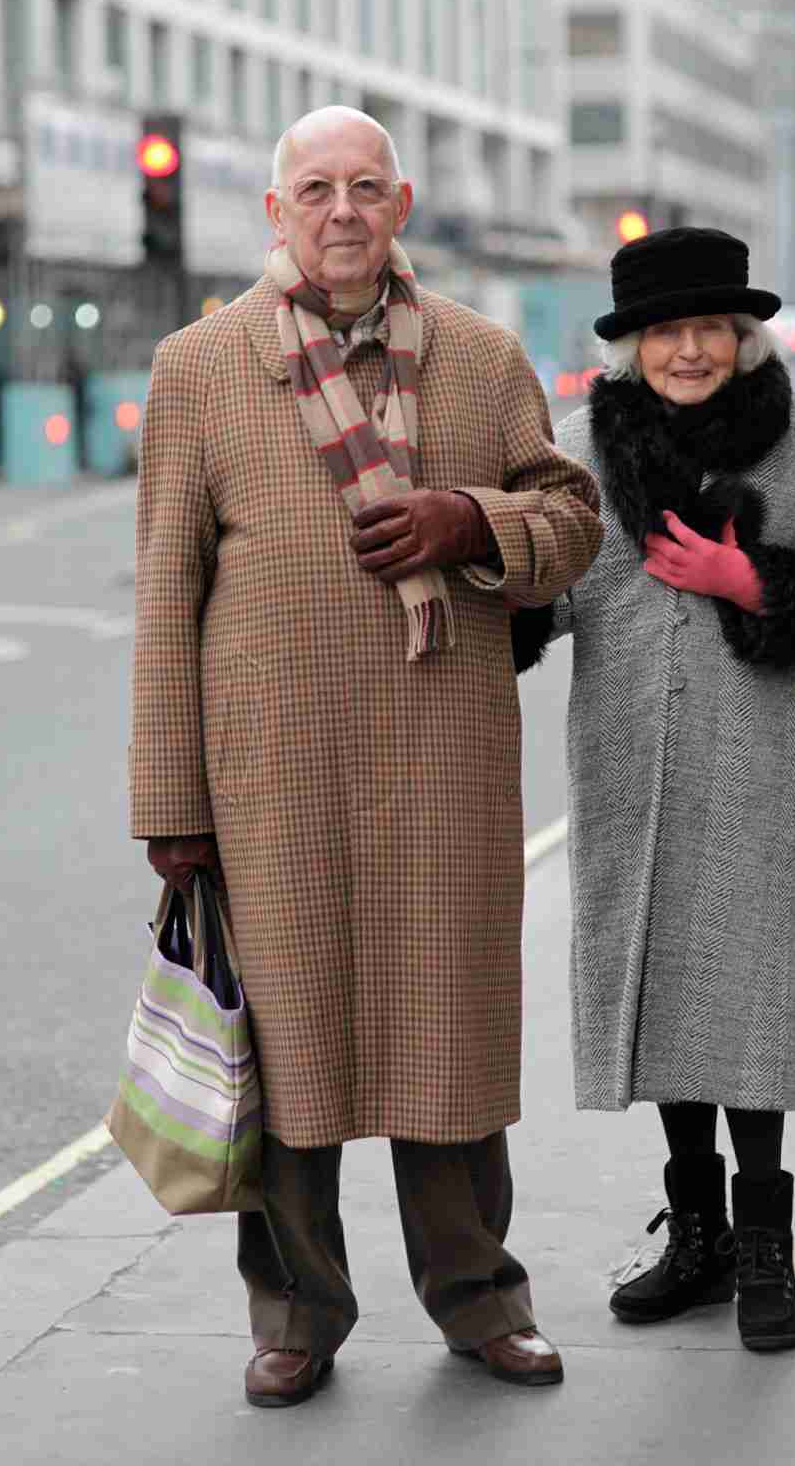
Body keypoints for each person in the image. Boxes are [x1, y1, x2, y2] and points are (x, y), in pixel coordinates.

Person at [130, 106, 603, 1407]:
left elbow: (573, 521)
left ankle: (478, 1299)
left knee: (445, 1045)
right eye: (314, 189)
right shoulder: (199, 365)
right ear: (275, 216)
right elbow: (166, 586)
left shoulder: (482, 356)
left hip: (442, 768)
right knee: (283, 1058)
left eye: (365, 188)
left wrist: (471, 518)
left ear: (401, 209)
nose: (341, 211)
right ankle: (299, 1314)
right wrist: (170, 802)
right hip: (266, 780)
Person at [553, 227, 795, 1353]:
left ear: (743, 338)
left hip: (750, 758)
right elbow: (541, 580)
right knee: (660, 987)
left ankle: (760, 1247)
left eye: (709, 328)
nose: (689, 349)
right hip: (620, 762)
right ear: (631, 348)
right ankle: (695, 1236)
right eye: (667, 331)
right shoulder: (580, 453)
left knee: (743, 990)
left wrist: (751, 576)